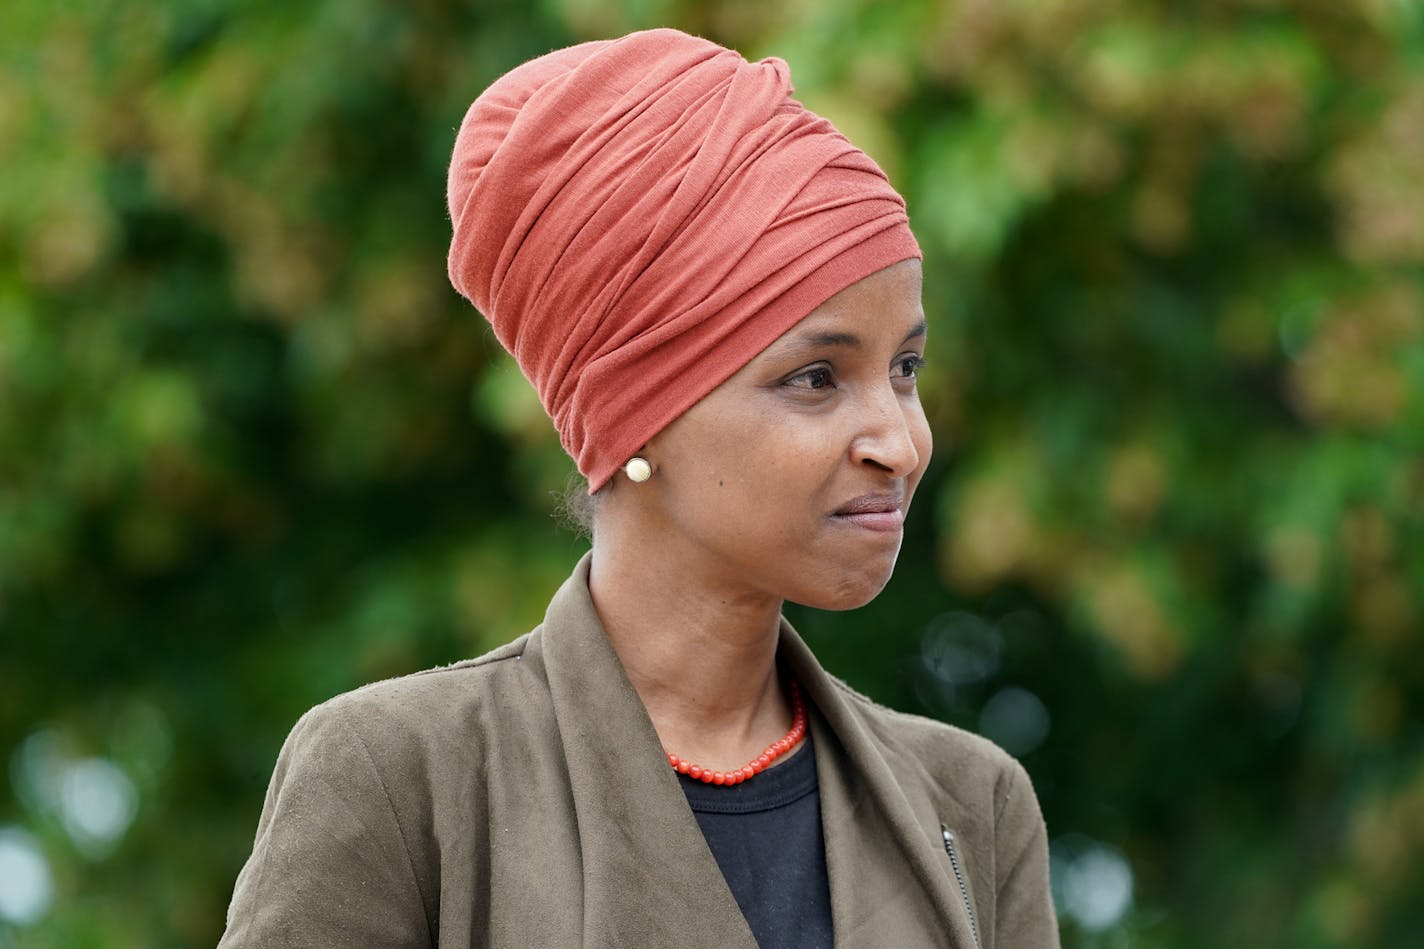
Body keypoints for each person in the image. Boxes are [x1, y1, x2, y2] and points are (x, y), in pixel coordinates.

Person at [219, 28, 1058, 949]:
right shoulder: (406, 780)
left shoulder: (970, 807)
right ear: (637, 414)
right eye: (816, 378)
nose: (900, 442)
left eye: (906, 368)